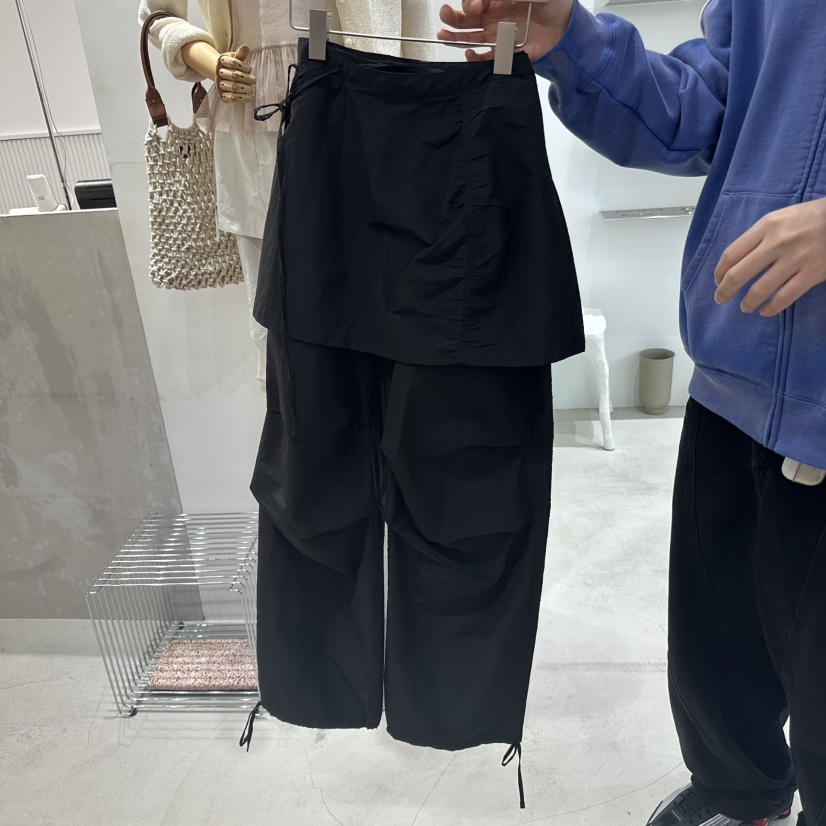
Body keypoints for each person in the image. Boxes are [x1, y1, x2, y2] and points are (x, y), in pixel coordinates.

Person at [438, 2, 826, 825]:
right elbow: (706, 104)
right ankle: (743, 800)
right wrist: (571, 41)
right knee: (715, 656)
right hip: (730, 378)